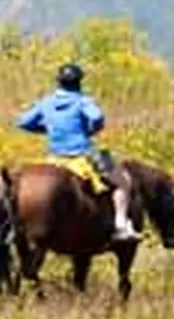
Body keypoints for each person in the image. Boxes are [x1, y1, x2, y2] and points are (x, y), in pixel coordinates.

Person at [16, 60, 136, 242]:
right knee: (123, 181)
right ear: (79, 82)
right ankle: (120, 226)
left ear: (58, 81)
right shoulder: (81, 101)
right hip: (83, 153)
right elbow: (97, 117)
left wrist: (46, 128)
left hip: (55, 157)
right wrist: (90, 129)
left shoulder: (46, 102)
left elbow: (23, 122)